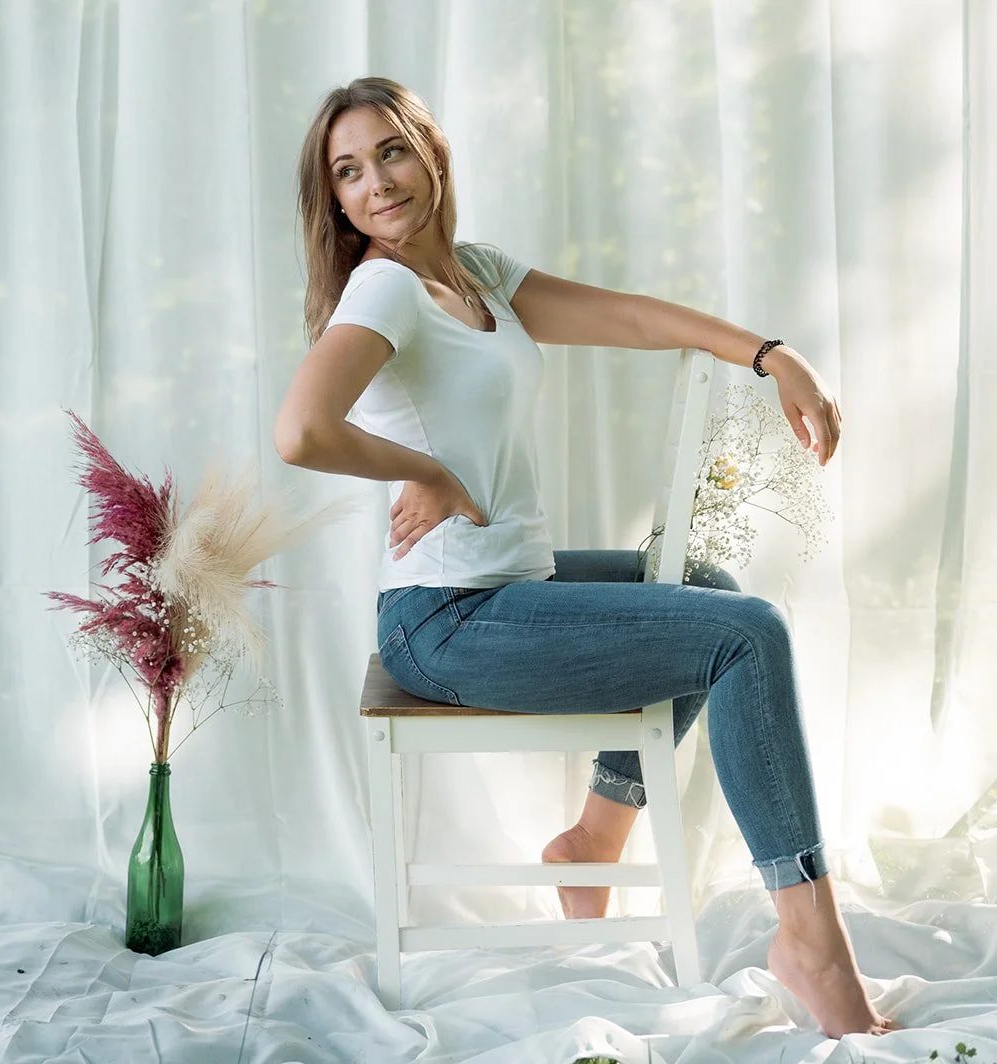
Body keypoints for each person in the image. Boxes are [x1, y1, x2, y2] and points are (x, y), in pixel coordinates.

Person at [273, 76, 899, 1039]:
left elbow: (638, 319)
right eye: (347, 173)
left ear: (430, 150)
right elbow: (301, 431)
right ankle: (808, 936)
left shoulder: (473, 276)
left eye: (388, 153)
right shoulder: (387, 285)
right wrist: (426, 471)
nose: (374, 185)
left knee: (709, 591)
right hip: (446, 621)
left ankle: (591, 842)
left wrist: (777, 356)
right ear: (338, 201)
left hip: (503, 587)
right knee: (746, 635)